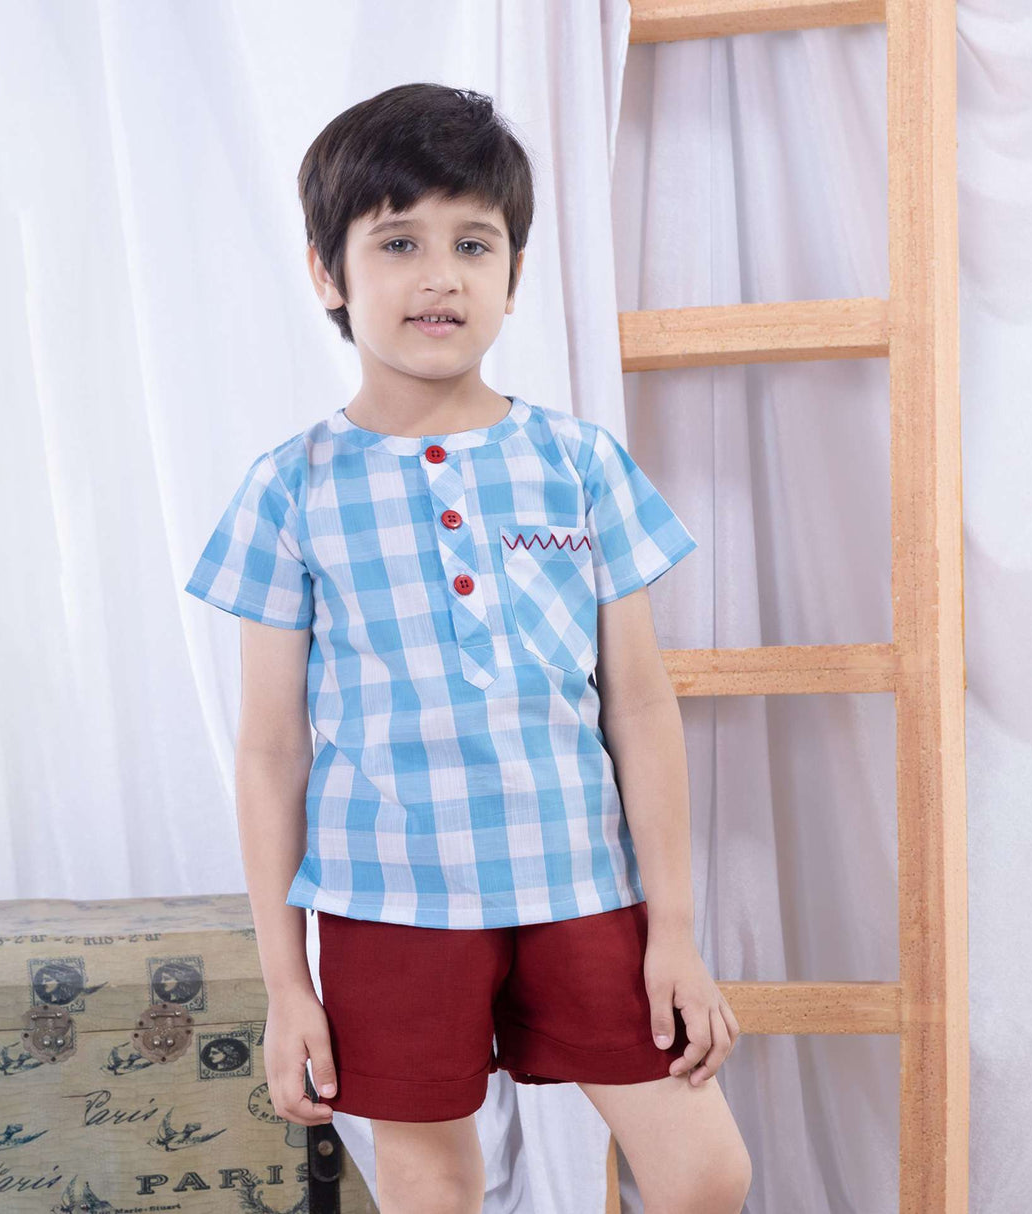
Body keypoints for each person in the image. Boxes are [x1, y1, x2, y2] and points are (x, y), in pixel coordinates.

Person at [185, 81, 752, 1214]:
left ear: (513, 274)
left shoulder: (578, 464)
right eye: (397, 240)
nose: (438, 274)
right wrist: (284, 983)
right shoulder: (287, 488)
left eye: (471, 242)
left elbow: (637, 706)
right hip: (385, 901)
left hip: (582, 885)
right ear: (326, 272)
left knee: (702, 1171)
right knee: (432, 1178)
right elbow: (269, 752)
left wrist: (674, 931)